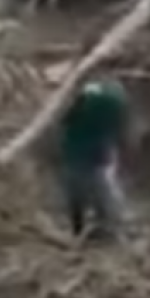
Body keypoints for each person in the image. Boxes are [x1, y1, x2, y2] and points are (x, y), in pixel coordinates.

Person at [57, 78, 130, 241]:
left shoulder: (88, 99)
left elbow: (65, 120)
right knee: (104, 191)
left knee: (77, 193)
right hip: (100, 153)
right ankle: (108, 226)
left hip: (77, 152)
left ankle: (79, 229)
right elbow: (119, 127)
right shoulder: (116, 101)